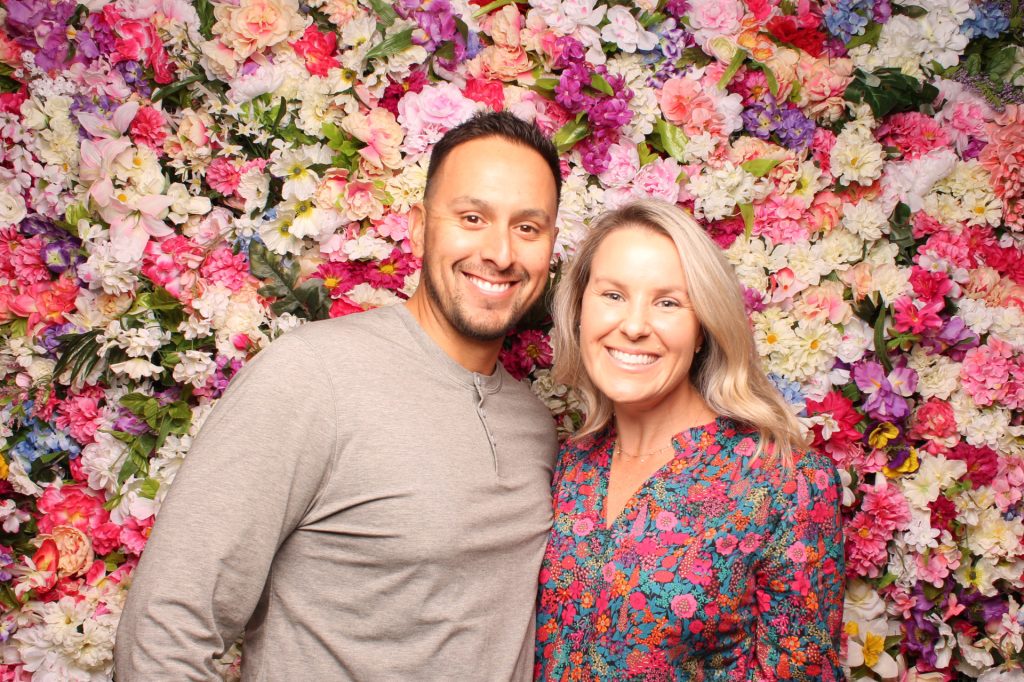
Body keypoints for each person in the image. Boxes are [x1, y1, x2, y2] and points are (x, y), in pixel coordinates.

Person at [114, 111, 562, 680]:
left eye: (528, 227)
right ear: (421, 227)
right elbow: (165, 629)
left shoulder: (536, 425)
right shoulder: (313, 376)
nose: (500, 252)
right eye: (472, 217)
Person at [534, 199, 844, 680]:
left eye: (668, 302)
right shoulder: (567, 467)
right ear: (579, 310)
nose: (634, 326)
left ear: (703, 329)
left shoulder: (786, 482)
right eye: (613, 295)